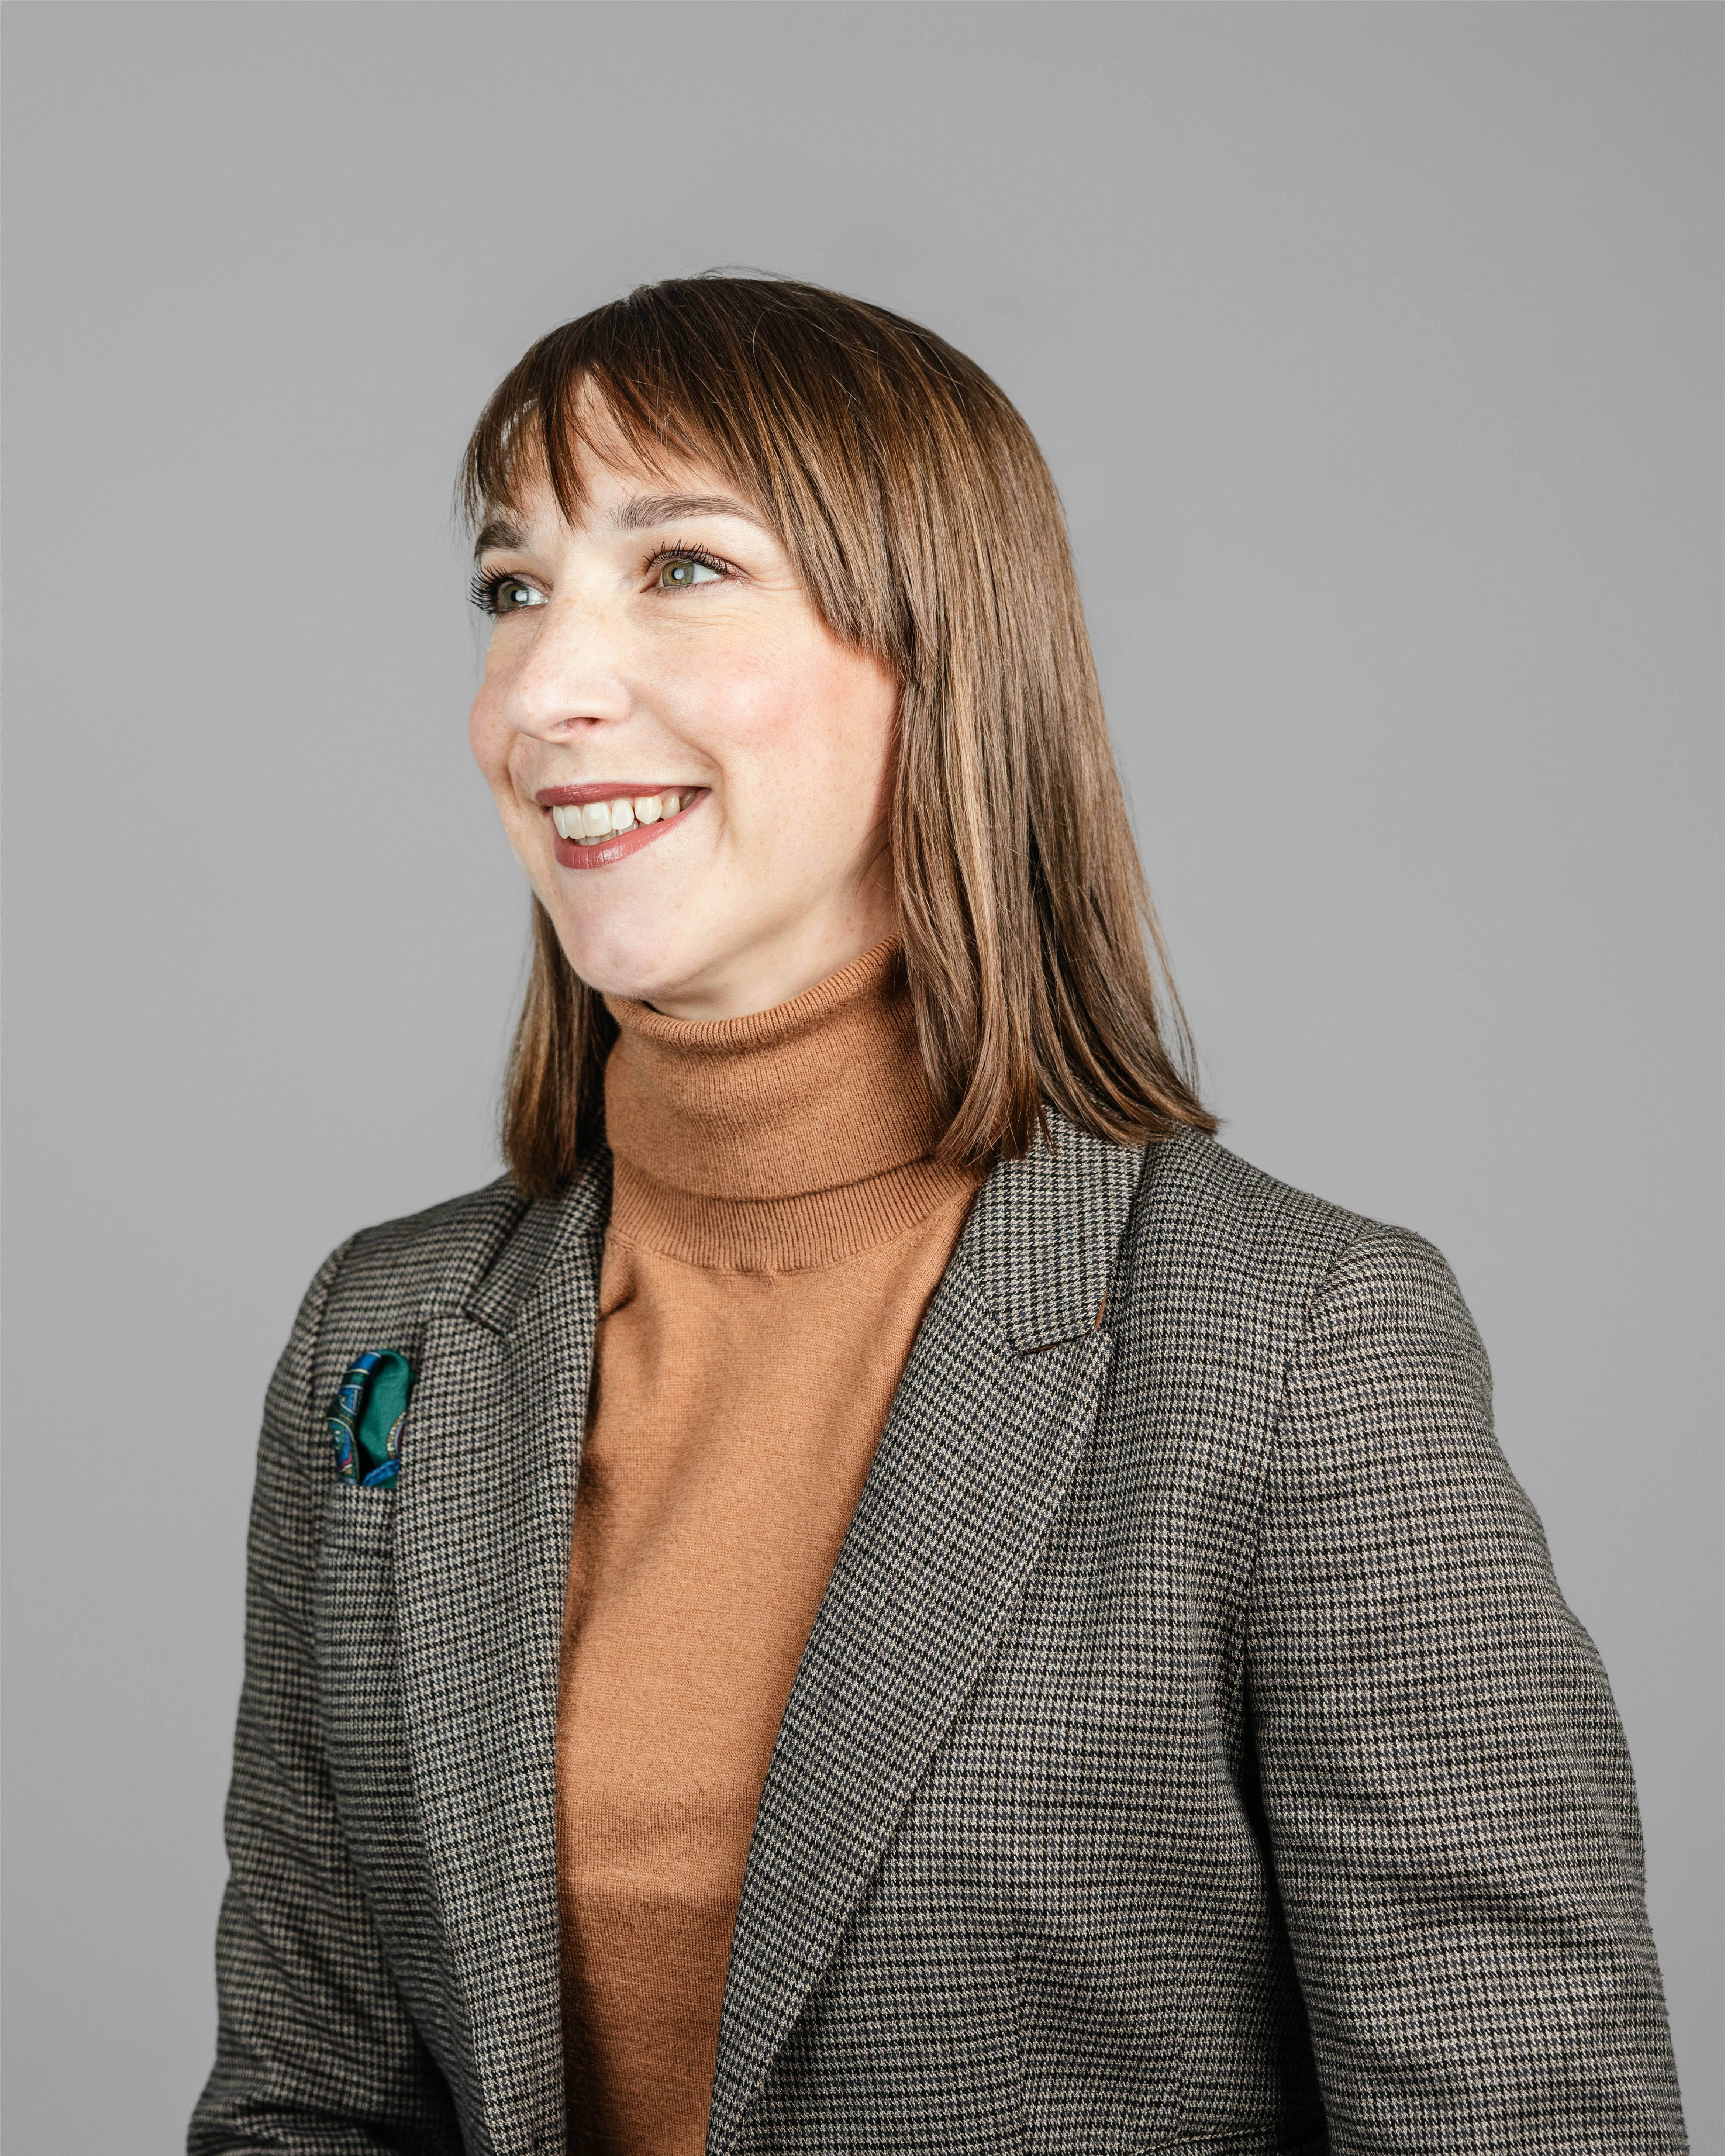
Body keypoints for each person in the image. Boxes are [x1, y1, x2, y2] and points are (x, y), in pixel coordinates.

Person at [190, 276, 1686, 2156]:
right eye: (513, 590)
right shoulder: (383, 1334)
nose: (545, 694)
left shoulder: (1302, 1342)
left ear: (935, 651)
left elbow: (1530, 2117)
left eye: (679, 570)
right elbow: (305, 2105)